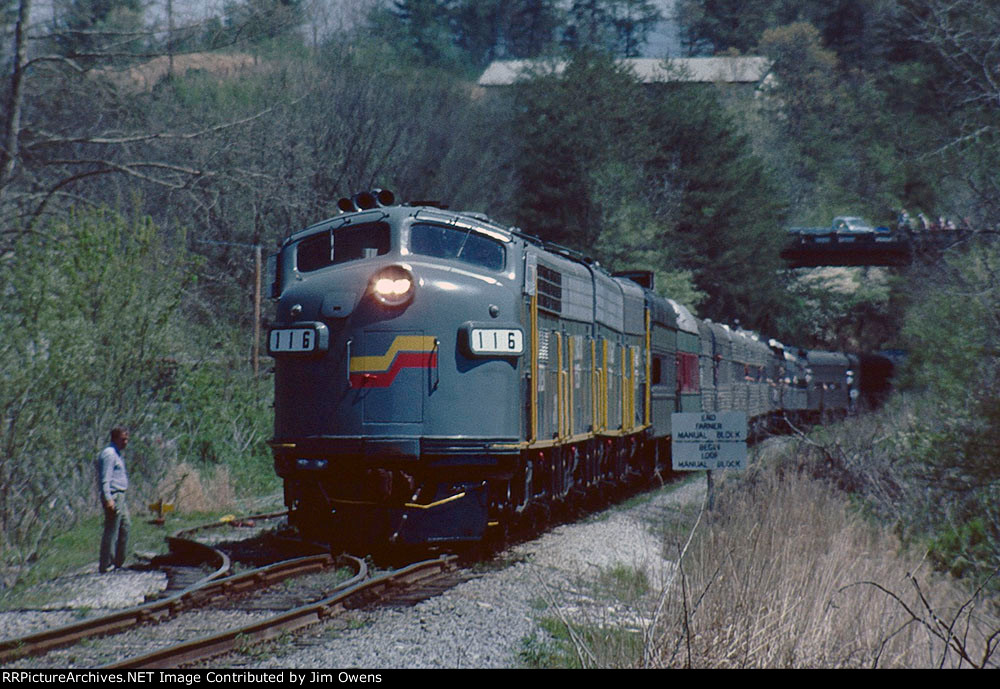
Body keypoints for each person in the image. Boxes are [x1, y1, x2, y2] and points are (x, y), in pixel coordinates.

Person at [96, 426, 130, 573]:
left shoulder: (117, 453)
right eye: (123, 439)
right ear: (115, 438)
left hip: (121, 495)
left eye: (127, 439)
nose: (126, 442)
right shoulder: (109, 454)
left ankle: (118, 562)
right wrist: (108, 498)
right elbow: (105, 479)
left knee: (126, 525)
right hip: (114, 495)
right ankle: (105, 564)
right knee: (111, 530)